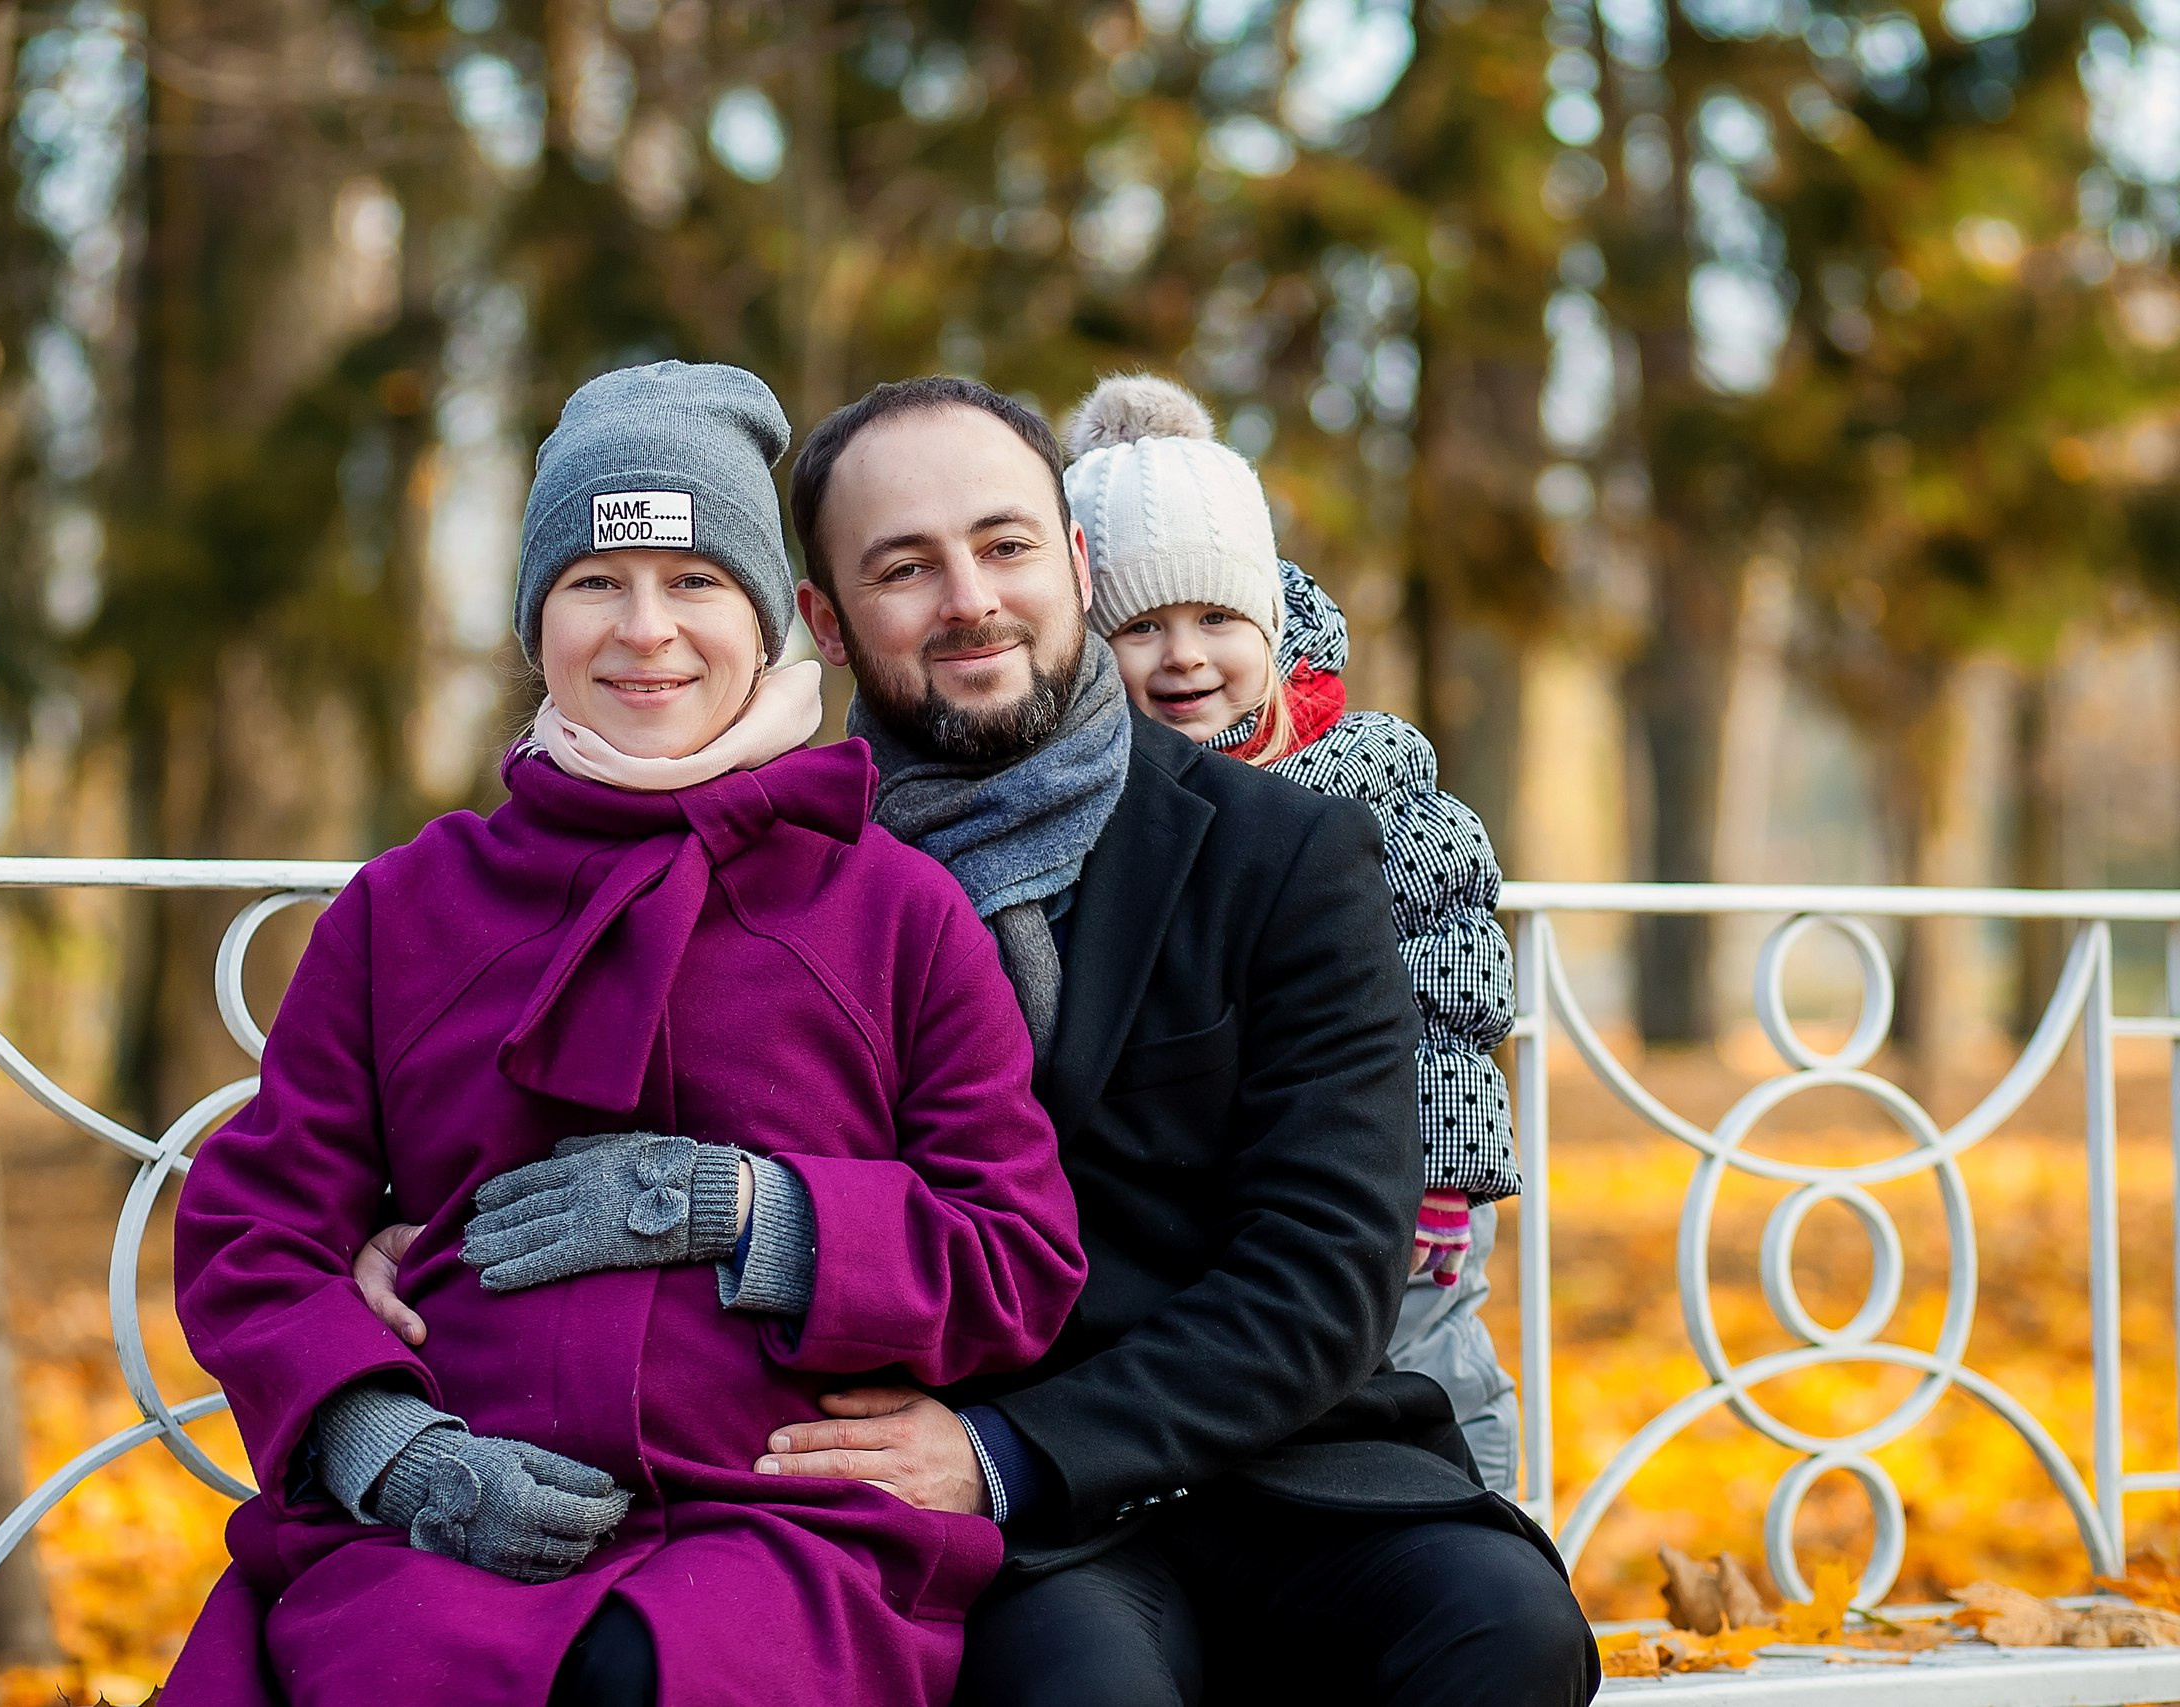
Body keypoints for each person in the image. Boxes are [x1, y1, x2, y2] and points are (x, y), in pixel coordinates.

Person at [358, 373, 1595, 1706]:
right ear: (826, 622)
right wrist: (400, 1235)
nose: (969, 600)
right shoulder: (778, 881)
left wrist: (1010, 1450)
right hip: (990, 1525)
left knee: (1503, 1632)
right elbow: (603, 1126)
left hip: (1284, 1460)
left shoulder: (1284, 853)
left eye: (1005, 546)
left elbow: (1326, 1265)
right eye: (905, 568)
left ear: (1075, 561)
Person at [162, 360, 1086, 1707]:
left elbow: (1015, 1255)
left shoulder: (895, 910)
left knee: (663, 1674)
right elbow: (258, 1231)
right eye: (596, 581)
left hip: (789, 1527)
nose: (646, 631)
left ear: (769, 618)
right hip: (451, 1521)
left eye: (695, 580)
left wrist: (754, 1210)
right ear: (535, 623)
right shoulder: (406, 908)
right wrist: (393, 1453)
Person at [1064, 373, 1523, 1493]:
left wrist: (1439, 1170)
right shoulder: (1097, 797)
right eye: (1140, 626)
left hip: (1398, 1174)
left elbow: (1452, 979)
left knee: (1434, 1371)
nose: (1184, 655)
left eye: (1217, 619)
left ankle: (1487, 1523)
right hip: (1219, 1189)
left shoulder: (1361, 773)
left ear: (1270, 621)